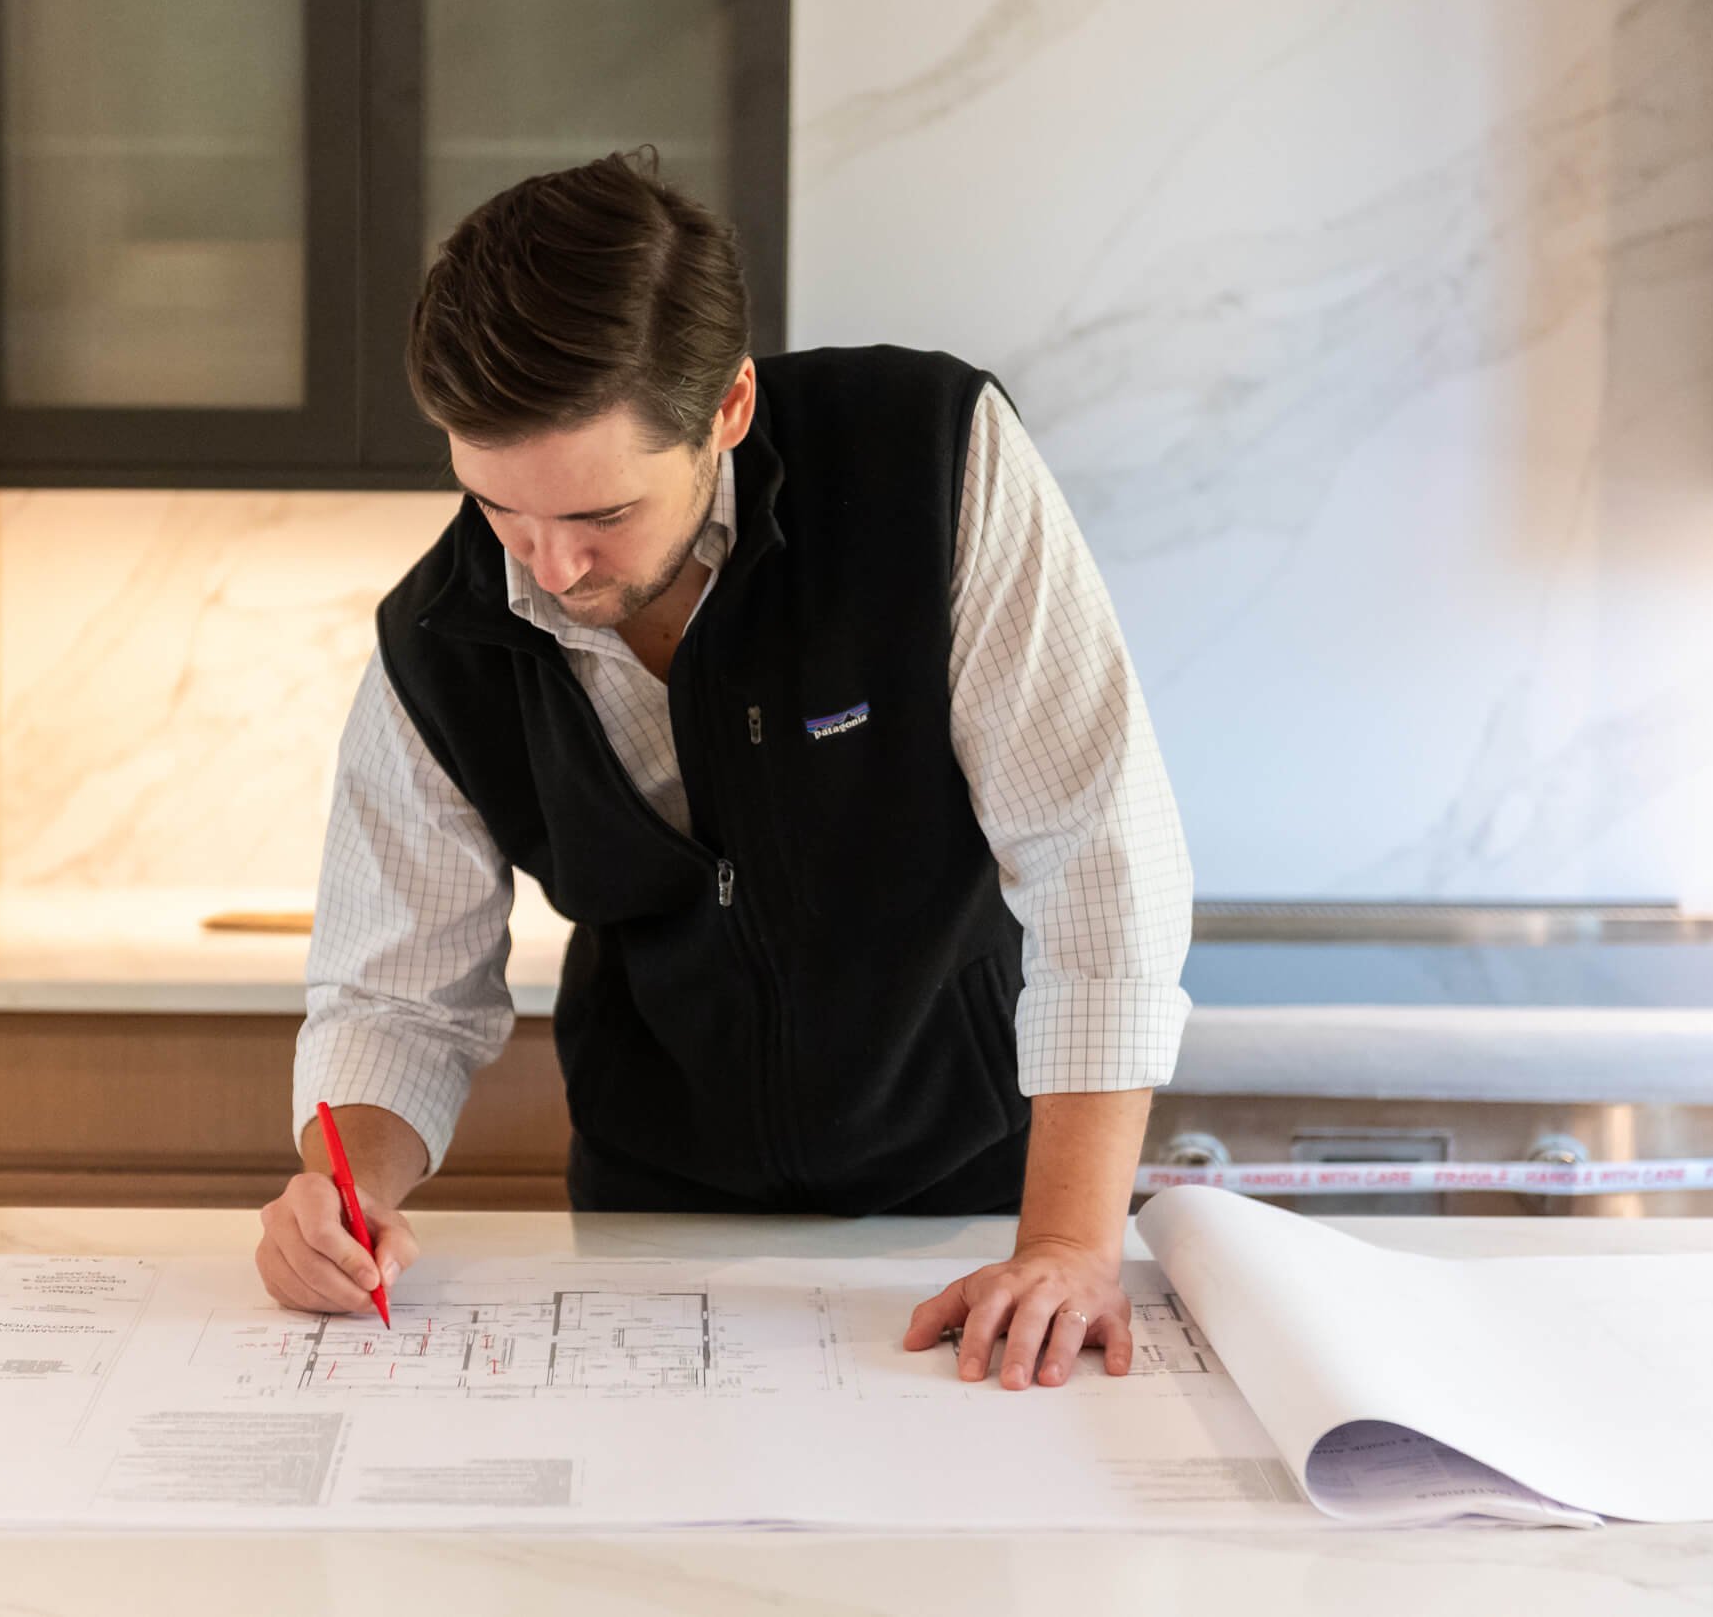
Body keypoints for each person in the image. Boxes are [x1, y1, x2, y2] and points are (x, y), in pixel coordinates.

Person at [256, 151, 1192, 1392]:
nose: (546, 566)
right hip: (653, 1212)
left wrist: (1069, 1243)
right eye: (496, 506)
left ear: (729, 407)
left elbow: (1093, 855)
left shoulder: (928, 460)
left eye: (600, 515)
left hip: (974, 1197)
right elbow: (394, 998)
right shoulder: (438, 636)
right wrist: (342, 1190)